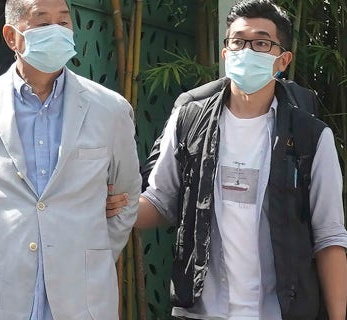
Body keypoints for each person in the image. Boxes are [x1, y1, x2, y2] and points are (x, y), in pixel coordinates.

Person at [136, 0, 347, 319]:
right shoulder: (189, 120)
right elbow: (159, 201)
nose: (247, 50)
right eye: (238, 41)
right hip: (201, 312)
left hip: (278, 311)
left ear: (282, 60)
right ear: (225, 53)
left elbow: (329, 237)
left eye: (262, 43)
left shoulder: (312, 137)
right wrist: (112, 205)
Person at [0, 0, 142, 318]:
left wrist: (91, 250)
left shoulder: (110, 109)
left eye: (63, 23)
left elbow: (125, 198)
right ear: (11, 36)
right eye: (42, 22)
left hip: (81, 295)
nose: (56, 31)